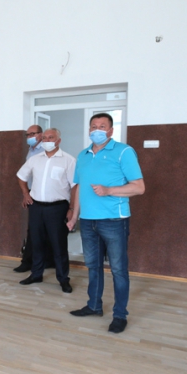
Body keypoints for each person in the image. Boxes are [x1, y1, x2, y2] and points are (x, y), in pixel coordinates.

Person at [67, 113, 145, 334]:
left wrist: (109, 190)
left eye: (102, 126)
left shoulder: (124, 152)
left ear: (111, 131)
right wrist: (74, 217)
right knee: (93, 266)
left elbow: (139, 187)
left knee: (118, 270)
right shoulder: (83, 155)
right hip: (87, 221)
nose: (97, 130)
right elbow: (79, 188)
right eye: (93, 126)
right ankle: (94, 306)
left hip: (114, 221)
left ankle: (120, 315)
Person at [16, 128, 77, 293]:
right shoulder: (35, 159)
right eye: (44, 138)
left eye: (51, 137)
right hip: (36, 207)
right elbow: (21, 176)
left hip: (57, 208)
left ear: (58, 141)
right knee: (36, 243)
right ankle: (36, 274)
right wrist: (25, 194)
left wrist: (72, 208)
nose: (47, 140)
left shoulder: (69, 160)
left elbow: (75, 186)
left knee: (58, 245)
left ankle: (63, 279)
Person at [13, 125, 56, 272]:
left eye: (33, 134)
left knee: (46, 229)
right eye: (28, 135)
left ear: (41, 134)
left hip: (46, 194)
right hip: (33, 194)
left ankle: (47, 260)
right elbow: (25, 175)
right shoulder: (31, 151)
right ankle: (29, 261)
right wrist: (26, 194)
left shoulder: (45, 150)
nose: (30, 137)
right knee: (34, 229)